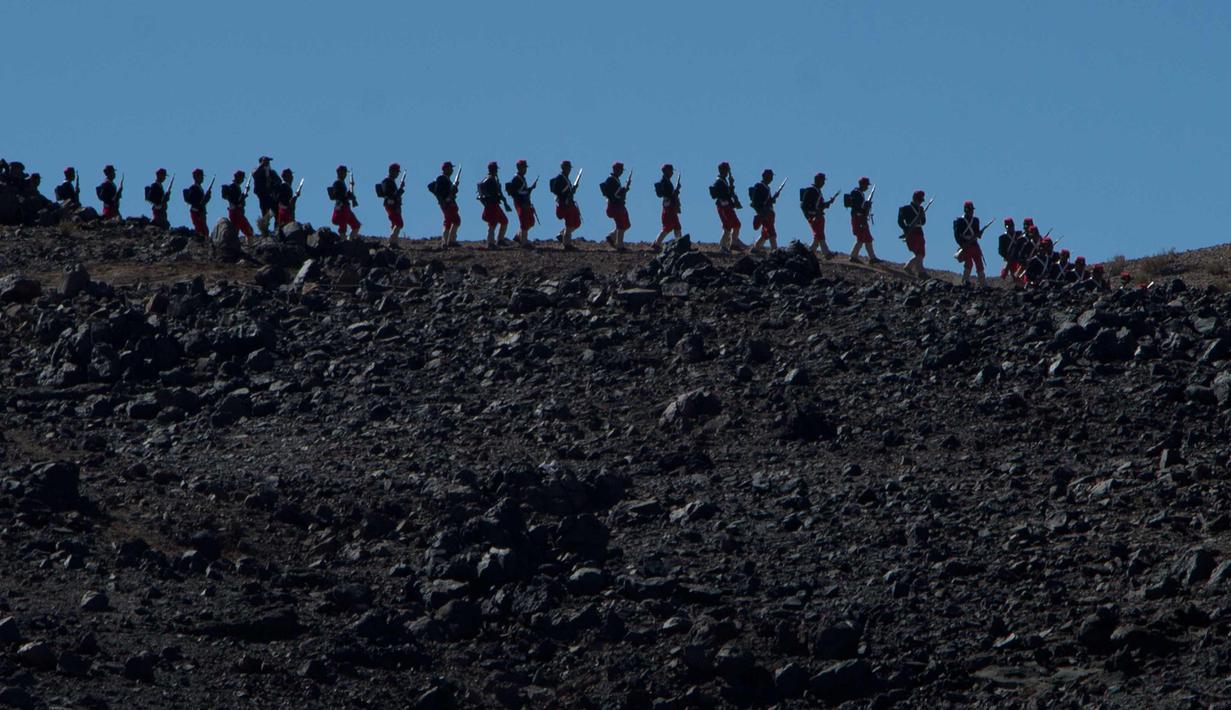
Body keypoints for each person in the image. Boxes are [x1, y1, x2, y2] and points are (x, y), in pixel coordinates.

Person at [710, 162, 745, 253]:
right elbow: (725, 194)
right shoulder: (719, 182)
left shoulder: (724, 181)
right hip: (723, 206)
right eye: (727, 170)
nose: (728, 172)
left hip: (727, 206)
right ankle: (725, 246)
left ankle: (731, 244)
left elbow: (729, 193)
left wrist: (731, 184)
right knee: (729, 226)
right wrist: (731, 186)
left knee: (734, 225)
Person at [800, 172, 836, 259]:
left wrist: (827, 203)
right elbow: (805, 205)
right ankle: (826, 253)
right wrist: (811, 215)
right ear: (818, 180)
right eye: (822, 181)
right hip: (814, 216)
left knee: (817, 237)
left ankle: (810, 254)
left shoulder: (817, 191)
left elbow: (819, 205)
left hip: (818, 216)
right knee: (820, 234)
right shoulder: (811, 190)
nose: (824, 183)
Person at [477, 161, 512, 249]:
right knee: (492, 224)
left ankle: (500, 240)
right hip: (491, 204)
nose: (496, 171)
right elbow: (493, 193)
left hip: (495, 204)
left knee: (504, 221)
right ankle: (490, 242)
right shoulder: (490, 180)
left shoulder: (492, 179)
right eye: (494, 169)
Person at [548, 160, 581, 251]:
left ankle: (562, 235)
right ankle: (567, 244)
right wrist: (568, 193)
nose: (569, 170)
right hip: (564, 204)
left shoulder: (565, 178)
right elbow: (558, 192)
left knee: (576, 223)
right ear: (563, 168)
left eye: (569, 168)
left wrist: (572, 190)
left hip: (569, 203)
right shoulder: (560, 178)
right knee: (569, 224)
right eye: (567, 168)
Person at [599, 162, 632, 251]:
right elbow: (614, 194)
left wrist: (625, 189)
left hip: (617, 205)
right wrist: (624, 189)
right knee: (621, 225)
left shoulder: (614, 179)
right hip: (615, 206)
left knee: (626, 224)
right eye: (620, 170)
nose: (621, 172)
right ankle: (620, 245)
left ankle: (611, 237)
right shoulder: (611, 180)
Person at [953, 201, 986, 287]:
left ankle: (982, 283)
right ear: (966, 210)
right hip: (966, 245)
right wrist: (962, 244)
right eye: (970, 210)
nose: (971, 212)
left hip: (974, 244)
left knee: (979, 263)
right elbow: (957, 235)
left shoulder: (975, 220)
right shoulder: (959, 221)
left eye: (972, 210)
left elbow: (978, 234)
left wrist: (980, 233)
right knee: (969, 263)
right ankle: (965, 281)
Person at [429, 161, 462, 249]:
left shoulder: (445, 179)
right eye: (450, 168)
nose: (452, 170)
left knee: (450, 221)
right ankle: (449, 241)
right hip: (447, 203)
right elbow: (438, 191)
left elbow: (450, 191)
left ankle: (448, 241)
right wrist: (445, 198)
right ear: (446, 169)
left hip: (448, 203)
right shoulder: (442, 178)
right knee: (454, 221)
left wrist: (454, 188)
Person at [506, 159, 537, 249]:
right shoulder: (516, 179)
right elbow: (515, 193)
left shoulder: (522, 178)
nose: (525, 169)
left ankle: (518, 236)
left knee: (530, 221)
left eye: (525, 167)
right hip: (520, 203)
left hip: (525, 202)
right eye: (523, 167)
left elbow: (524, 191)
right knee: (524, 221)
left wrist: (531, 188)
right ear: (519, 168)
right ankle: (524, 242)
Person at [847, 177, 878, 264]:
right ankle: (853, 256)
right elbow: (857, 207)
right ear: (862, 184)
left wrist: (866, 207)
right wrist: (865, 207)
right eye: (866, 185)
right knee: (861, 238)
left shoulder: (859, 193)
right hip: (858, 218)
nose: (867, 187)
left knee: (867, 238)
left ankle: (872, 258)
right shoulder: (856, 193)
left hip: (861, 218)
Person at [897, 190, 929, 277]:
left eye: (921, 200)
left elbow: (923, 222)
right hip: (911, 233)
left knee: (920, 253)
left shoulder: (920, 209)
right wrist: (905, 228)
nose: (920, 202)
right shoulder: (905, 208)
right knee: (920, 253)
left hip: (919, 232)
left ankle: (910, 267)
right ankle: (920, 271)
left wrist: (921, 215)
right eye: (919, 200)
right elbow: (900, 221)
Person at [748, 169, 780, 252]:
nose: (771, 179)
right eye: (770, 176)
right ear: (765, 176)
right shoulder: (759, 186)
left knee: (765, 233)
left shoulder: (767, 188)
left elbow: (769, 201)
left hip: (768, 213)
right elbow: (756, 201)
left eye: (771, 177)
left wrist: (774, 197)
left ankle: (755, 248)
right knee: (771, 231)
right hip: (764, 213)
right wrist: (761, 211)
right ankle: (775, 250)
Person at [652, 163, 682, 251]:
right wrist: (676, 191)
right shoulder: (664, 182)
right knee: (668, 226)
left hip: (671, 206)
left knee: (676, 226)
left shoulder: (666, 181)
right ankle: (657, 243)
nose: (672, 173)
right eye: (671, 171)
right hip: (669, 207)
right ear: (666, 171)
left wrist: (676, 191)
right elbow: (669, 194)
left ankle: (679, 243)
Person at [329, 165, 361, 239]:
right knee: (343, 225)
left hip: (346, 207)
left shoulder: (342, 183)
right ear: (339, 173)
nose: (345, 174)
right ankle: (342, 240)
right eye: (343, 172)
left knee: (356, 225)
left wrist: (350, 195)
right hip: (341, 207)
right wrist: (347, 195)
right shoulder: (337, 183)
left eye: (345, 173)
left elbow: (345, 195)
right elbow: (338, 195)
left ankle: (349, 240)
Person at [222, 170, 254, 244]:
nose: (242, 180)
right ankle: (249, 245)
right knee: (248, 230)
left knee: (235, 231)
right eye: (241, 178)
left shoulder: (233, 186)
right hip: (236, 212)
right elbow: (236, 200)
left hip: (234, 211)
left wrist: (244, 195)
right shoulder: (233, 187)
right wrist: (244, 195)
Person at [252, 156, 281, 237]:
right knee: (265, 213)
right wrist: (262, 165)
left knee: (276, 212)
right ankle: (265, 232)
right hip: (263, 195)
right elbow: (254, 174)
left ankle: (277, 229)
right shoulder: (257, 170)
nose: (268, 163)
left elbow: (278, 181)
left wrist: (274, 185)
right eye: (266, 161)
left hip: (271, 195)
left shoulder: (271, 172)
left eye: (268, 161)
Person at [378, 163, 405, 244]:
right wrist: (398, 192)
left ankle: (394, 242)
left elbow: (395, 195)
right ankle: (392, 241)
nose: (397, 174)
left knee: (395, 223)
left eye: (397, 172)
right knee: (398, 223)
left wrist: (400, 189)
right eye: (396, 171)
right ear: (391, 171)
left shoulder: (391, 181)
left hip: (394, 205)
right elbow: (389, 193)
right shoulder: (387, 181)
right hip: (391, 205)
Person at [183, 169, 211, 238]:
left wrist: (207, 198)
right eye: (201, 176)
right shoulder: (193, 188)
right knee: (200, 229)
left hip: (200, 212)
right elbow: (196, 202)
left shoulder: (199, 188)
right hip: (197, 212)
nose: (202, 178)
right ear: (196, 177)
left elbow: (202, 202)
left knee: (204, 230)